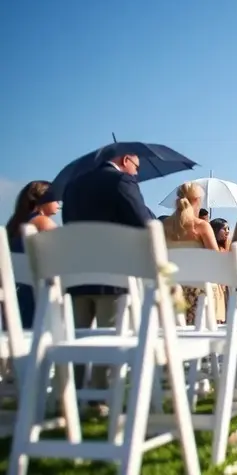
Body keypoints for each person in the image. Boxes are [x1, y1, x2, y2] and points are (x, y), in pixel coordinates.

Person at [60, 152, 152, 413]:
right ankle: (100, 399)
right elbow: (142, 223)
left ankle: (71, 397)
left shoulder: (73, 184)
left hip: (76, 271)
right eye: (137, 166)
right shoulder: (122, 182)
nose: (136, 173)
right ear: (125, 160)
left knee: (77, 337)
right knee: (109, 335)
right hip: (112, 271)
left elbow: (69, 224)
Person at [163, 183, 224, 325]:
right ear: (197, 200)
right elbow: (217, 260)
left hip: (170, 293)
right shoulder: (202, 226)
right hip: (199, 297)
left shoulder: (164, 225)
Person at [5, 180, 60, 327]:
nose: (59, 202)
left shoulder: (13, 224)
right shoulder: (43, 222)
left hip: (17, 297)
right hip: (38, 297)